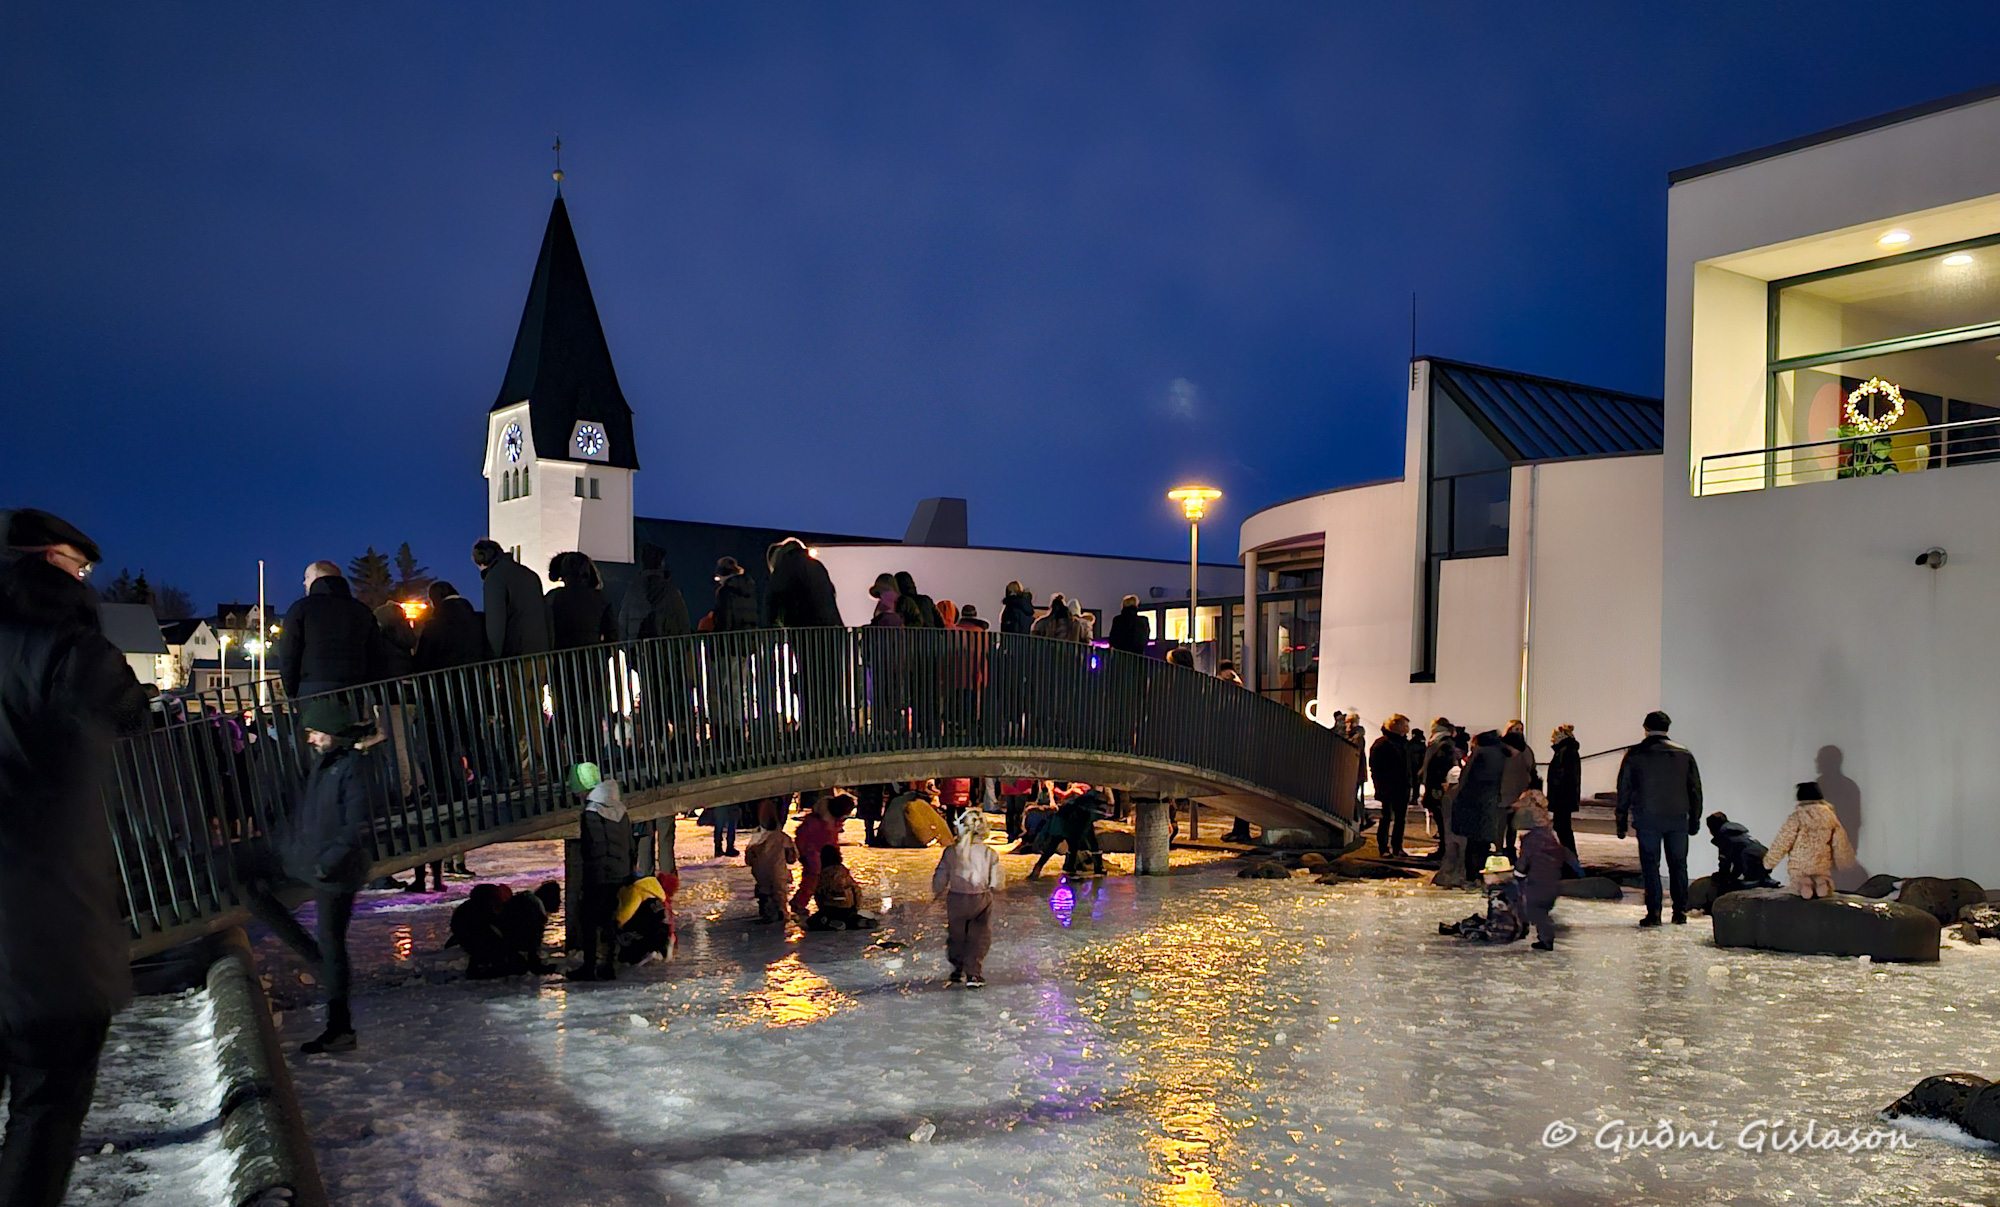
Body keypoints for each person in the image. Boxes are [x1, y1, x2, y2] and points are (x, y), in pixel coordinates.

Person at [0, 510, 149, 1206]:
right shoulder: (69, 649)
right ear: (47, 562)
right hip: (43, 926)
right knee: (46, 1107)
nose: (86, 580)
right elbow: (135, 729)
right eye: (79, 566)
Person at [241, 697, 379, 1054]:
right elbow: (313, 815)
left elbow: (355, 826)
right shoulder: (327, 763)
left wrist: (325, 864)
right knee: (246, 883)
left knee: (332, 943)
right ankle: (319, 962)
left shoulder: (352, 767)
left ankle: (340, 1028)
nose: (311, 739)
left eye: (316, 732)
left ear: (333, 732)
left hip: (336, 871)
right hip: (311, 860)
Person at [1615, 710, 1704, 927]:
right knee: (1678, 865)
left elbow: (1624, 789)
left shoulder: (1635, 754)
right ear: (1667, 728)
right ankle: (1679, 912)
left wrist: (1621, 821)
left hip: (1647, 817)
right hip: (1677, 818)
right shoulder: (1684, 754)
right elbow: (1695, 790)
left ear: (1645, 728)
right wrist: (1695, 819)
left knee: (1650, 866)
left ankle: (1654, 913)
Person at [276, 561, 385, 700]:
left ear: (317, 577)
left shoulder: (301, 609)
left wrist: (292, 692)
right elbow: (376, 655)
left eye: (307, 577)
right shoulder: (362, 611)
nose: (304, 582)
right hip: (354, 689)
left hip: (313, 690)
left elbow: (288, 654)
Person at [565, 762, 632, 981]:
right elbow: (628, 843)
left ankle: (590, 966)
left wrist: (589, 876)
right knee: (609, 919)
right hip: (619, 872)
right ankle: (608, 965)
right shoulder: (620, 809)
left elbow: (592, 847)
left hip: (599, 875)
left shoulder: (591, 812)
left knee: (589, 920)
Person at [934, 808, 1006, 987]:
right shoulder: (989, 853)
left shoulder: (951, 851)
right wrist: (996, 887)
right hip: (981, 899)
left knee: (957, 934)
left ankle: (957, 968)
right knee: (978, 936)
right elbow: (997, 881)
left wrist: (938, 888)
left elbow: (941, 874)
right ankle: (973, 973)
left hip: (956, 898)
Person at [1762, 783, 1856, 900]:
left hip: (1800, 864)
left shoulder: (1797, 817)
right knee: (1821, 878)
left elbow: (1782, 842)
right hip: (1821, 863)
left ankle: (1804, 885)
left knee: (1799, 881)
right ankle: (1821, 884)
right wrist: (1846, 862)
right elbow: (1840, 842)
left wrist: (1768, 863)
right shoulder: (1830, 817)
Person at [1512, 789, 1579, 951]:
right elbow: (1565, 853)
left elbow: (1525, 859)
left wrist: (1517, 873)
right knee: (1539, 910)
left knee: (1535, 910)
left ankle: (1546, 938)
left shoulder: (1531, 839)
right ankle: (1541, 935)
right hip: (1552, 880)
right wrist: (1576, 868)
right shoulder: (1550, 835)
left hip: (1538, 882)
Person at [472, 539, 550, 660]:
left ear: (481, 561)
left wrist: (494, 658)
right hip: (542, 653)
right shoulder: (530, 574)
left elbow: (495, 624)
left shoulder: (495, 578)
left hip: (516, 656)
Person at [1454, 730, 1506, 884]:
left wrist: (1459, 799)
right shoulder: (1499, 752)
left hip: (1475, 803)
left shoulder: (1481, 753)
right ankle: (1479, 873)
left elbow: (1466, 779)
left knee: (1473, 842)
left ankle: (1472, 875)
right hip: (1489, 803)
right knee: (1483, 841)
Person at [1438, 855, 1527, 944]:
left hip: (1502, 934)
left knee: (1467, 926)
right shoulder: (1515, 887)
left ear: (1498, 875)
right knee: (1474, 921)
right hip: (1517, 931)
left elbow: (1496, 922)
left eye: (1488, 874)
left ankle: (1457, 928)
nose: (1484, 876)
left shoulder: (1497, 893)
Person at [617, 543, 692, 641]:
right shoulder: (670, 591)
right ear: (661, 564)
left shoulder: (632, 591)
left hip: (637, 647)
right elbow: (683, 624)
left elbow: (622, 624)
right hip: (664, 647)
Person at [764, 537, 840, 628]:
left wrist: (770, 625)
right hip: (831, 627)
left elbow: (773, 600)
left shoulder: (785, 567)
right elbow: (831, 592)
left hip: (804, 629)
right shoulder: (817, 565)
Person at [743, 802, 799, 923]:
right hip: (779, 872)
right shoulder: (783, 837)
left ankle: (767, 910)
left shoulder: (756, 839)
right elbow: (792, 857)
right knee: (780, 894)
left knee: (765, 891)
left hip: (760, 874)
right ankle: (781, 913)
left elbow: (748, 860)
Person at [791, 793, 845, 915]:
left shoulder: (828, 820)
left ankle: (804, 902)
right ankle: (799, 902)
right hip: (813, 856)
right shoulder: (820, 823)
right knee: (812, 880)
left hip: (820, 855)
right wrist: (804, 854)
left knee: (817, 879)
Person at [1369, 714, 1415, 858]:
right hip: (1388, 786)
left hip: (1403, 786)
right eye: (1405, 725)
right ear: (1396, 726)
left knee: (1400, 818)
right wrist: (1379, 787)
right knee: (1386, 817)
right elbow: (1375, 768)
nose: (1407, 728)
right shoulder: (1382, 744)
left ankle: (1397, 847)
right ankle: (1383, 848)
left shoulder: (1405, 744)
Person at [1705, 812, 1780, 895]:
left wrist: (1722, 877)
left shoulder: (1724, 836)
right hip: (1763, 855)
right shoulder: (1737, 833)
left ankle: (1762, 882)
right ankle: (1766, 881)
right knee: (1752, 877)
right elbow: (1737, 863)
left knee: (1738, 885)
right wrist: (1732, 876)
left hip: (1750, 858)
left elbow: (1725, 862)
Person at [807, 846, 875, 930]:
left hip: (830, 909)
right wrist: (856, 907)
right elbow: (856, 890)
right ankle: (858, 921)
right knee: (849, 917)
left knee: (812, 921)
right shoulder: (844, 873)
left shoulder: (823, 875)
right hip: (848, 908)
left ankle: (829, 922)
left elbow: (819, 892)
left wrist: (822, 908)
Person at [1498, 721, 1534, 858]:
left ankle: (1509, 848)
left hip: (1516, 792)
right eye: (1516, 729)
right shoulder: (1502, 749)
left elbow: (1530, 768)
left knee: (1512, 824)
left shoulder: (1525, 750)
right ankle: (1500, 849)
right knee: (1501, 824)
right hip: (1504, 790)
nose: (1518, 732)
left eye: (1520, 729)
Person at [1546, 723, 1582, 857]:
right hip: (1564, 796)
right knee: (1562, 826)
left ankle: (1570, 856)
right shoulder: (1567, 750)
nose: (1552, 739)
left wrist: (1555, 796)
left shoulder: (1565, 751)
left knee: (1562, 827)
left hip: (1562, 796)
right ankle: (1568, 856)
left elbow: (1562, 776)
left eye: (1554, 736)